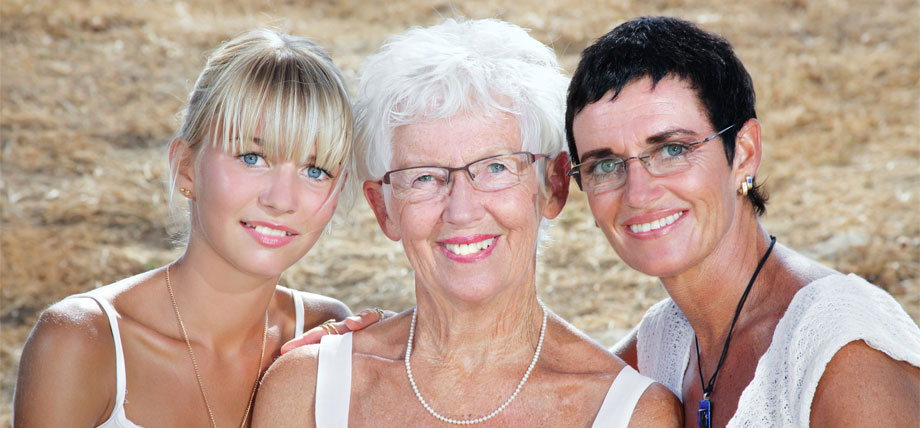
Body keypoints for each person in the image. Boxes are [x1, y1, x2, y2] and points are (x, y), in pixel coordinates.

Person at [253, 18, 681, 427]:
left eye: (495, 167)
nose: (461, 209)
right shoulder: (306, 389)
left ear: (553, 186)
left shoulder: (633, 413)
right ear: (383, 209)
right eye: (424, 176)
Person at [13, 28, 382, 427]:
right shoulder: (81, 341)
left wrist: (399, 361)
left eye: (315, 170)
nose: (282, 200)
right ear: (186, 167)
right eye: (252, 157)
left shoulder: (323, 334)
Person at [564, 16, 920, 427]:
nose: (638, 193)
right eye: (605, 165)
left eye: (673, 150)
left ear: (745, 153)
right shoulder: (664, 345)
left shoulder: (845, 357)